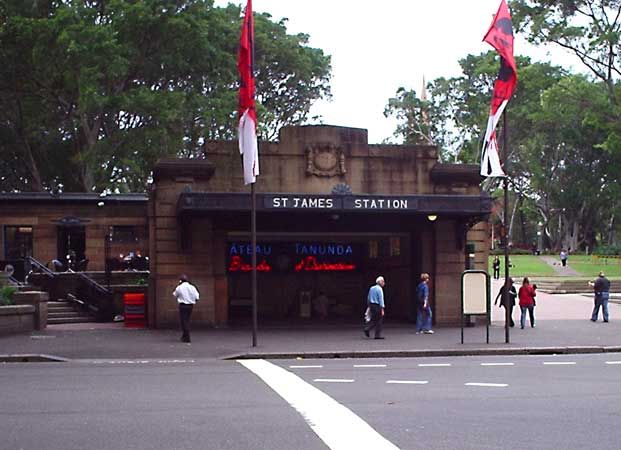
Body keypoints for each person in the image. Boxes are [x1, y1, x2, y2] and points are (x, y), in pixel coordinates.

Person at [173, 274, 200, 343]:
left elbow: (175, 295)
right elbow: (197, 297)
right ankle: (184, 336)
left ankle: (187, 337)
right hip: (190, 306)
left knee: (183, 321)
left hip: (183, 305)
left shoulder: (179, 287)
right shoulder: (192, 287)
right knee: (187, 320)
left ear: (180, 281)